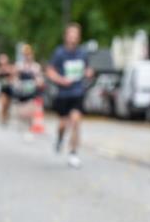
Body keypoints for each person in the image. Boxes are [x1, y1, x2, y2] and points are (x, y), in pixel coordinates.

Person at [45, 23, 93, 168]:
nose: (73, 37)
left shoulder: (83, 53)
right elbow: (49, 71)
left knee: (76, 122)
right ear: (66, 36)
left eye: (76, 35)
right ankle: (59, 139)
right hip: (63, 94)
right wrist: (61, 80)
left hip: (77, 93)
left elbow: (88, 69)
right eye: (71, 34)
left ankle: (73, 153)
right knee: (62, 125)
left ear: (78, 37)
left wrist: (89, 73)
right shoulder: (59, 53)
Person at [13, 43, 44, 140]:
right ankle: (24, 126)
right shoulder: (19, 66)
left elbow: (39, 79)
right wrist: (17, 84)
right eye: (26, 55)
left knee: (31, 111)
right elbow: (15, 78)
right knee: (22, 112)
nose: (28, 56)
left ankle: (29, 129)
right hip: (22, 92)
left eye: (29, 54)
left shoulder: (36, 66)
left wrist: (38, 82)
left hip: (31, 91)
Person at [0, 52, 15, 126]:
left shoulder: (10, 68)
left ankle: (6, 116)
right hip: (2, 88)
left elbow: (13, 76)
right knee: (2, 104)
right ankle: (3, 118)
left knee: (7, 105)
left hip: (9, 88)